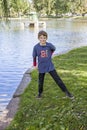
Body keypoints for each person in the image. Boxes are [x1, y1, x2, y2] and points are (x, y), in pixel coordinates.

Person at [32, 30, 73, 98]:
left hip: (49, 65)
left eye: (44, 38)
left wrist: (50, 54)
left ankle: (67, 92)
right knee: (40, 81)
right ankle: (40, 93)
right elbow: (34, 56)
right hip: (41, 66)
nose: (43, 39)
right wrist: (34, 65)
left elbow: (53, 49)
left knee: (57, 79)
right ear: (38, 38)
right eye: (41, 38)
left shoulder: (49, 45)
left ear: (46, 38)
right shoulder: (36, 47)